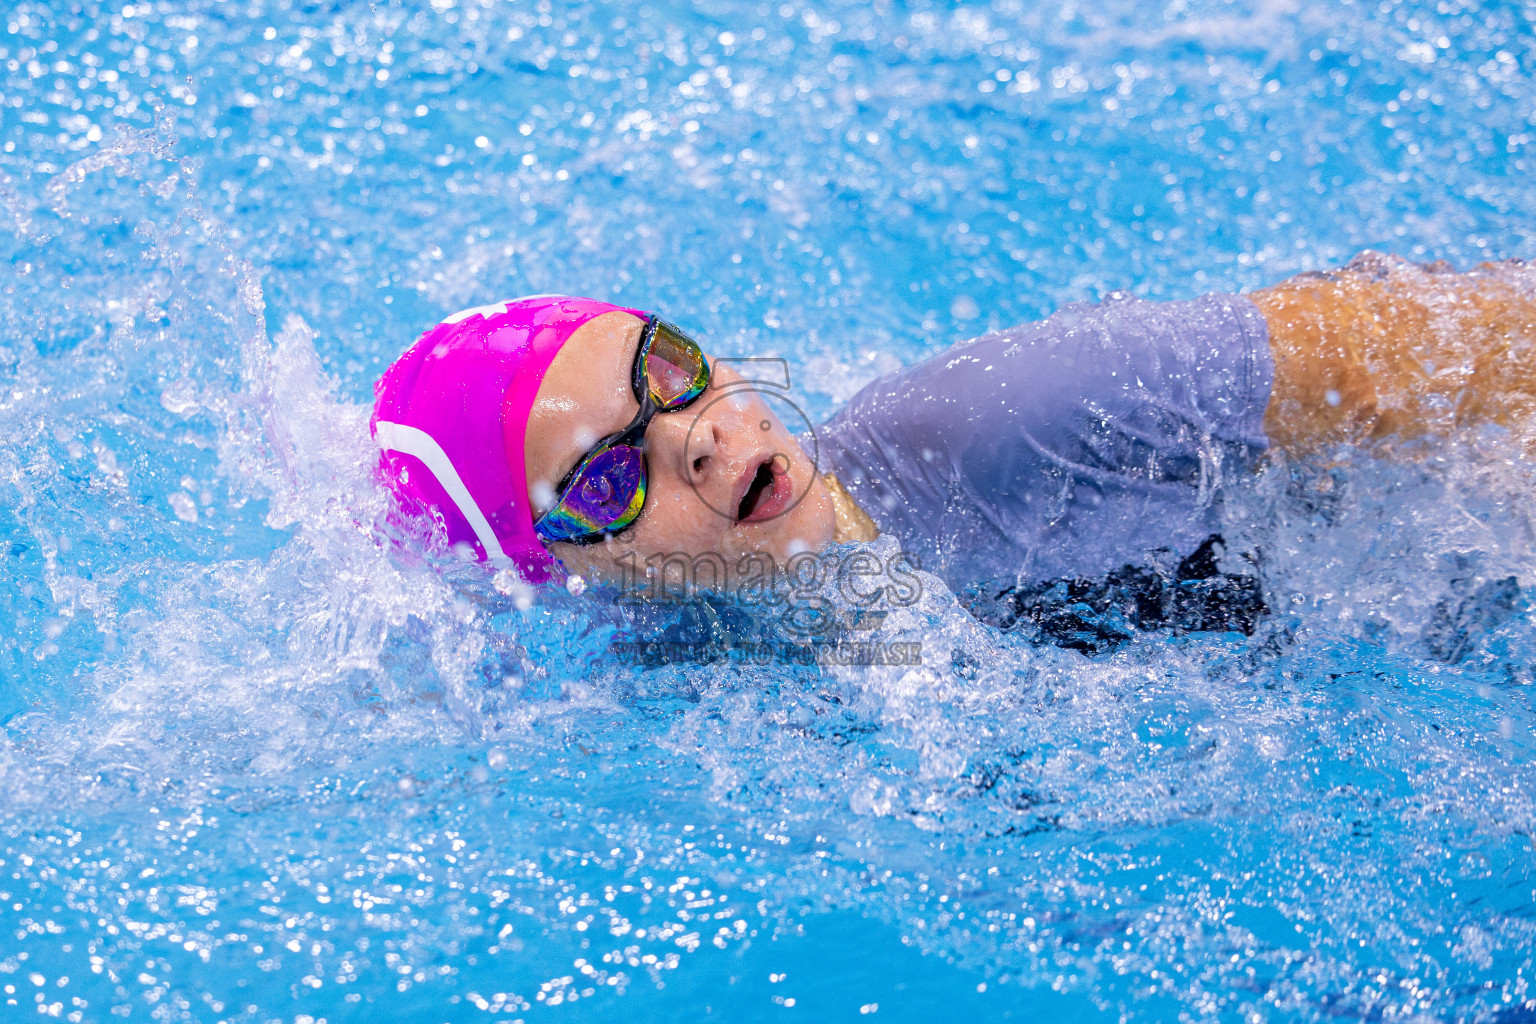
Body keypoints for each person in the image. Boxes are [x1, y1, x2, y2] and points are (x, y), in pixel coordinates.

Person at [370, 253, 1536, 638]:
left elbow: (1434, 347)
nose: (705, 435)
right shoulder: (665, 666)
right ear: (559, 570)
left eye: (667, 369)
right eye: (611, 474)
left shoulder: (1008, 420)